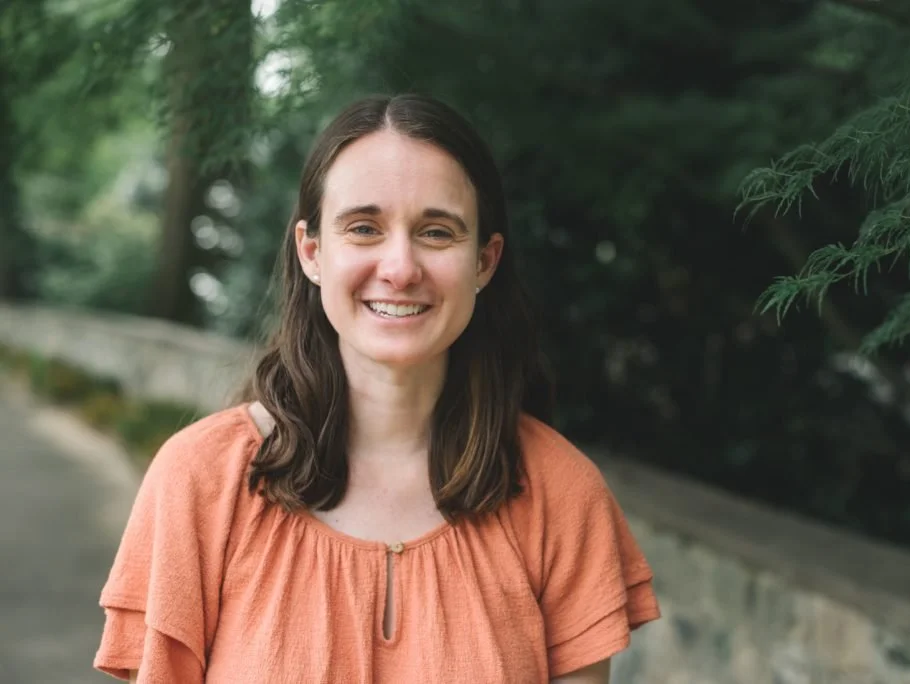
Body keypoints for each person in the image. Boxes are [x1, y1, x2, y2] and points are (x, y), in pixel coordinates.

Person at [93, 94, 661, 683]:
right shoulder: (200, 481)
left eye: (437, 232)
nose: (400, 267)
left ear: (485, 262)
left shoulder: (561, 495)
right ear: (312, 252)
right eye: (364, 228)